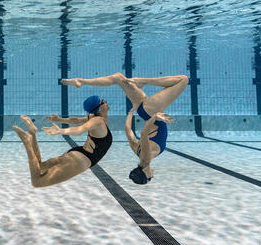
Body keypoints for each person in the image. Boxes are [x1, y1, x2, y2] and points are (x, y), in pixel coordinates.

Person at [60, 72, 189, 184]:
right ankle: (81, 81)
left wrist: (155, 117)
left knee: (183, 80)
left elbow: (143, 134)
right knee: (118, 78)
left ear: (145, 173)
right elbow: (128, 131)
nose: (152, 176)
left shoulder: (146, 157)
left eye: (150, 178)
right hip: (142, 111)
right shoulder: (136, 151)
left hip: (151, 112)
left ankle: (143, 81)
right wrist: (130, 114)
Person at [12, 95, 112, 188]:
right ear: (99, 108)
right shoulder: (97, 121)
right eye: (103, 101)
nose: (106, 101)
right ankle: (26, 141)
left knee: (40, 166)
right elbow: (79, 130)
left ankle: (32, 132)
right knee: (37, 182)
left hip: (79, 152)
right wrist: (61, 130)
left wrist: (60, 119)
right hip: (81, 160)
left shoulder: (94, 118)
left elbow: (76, 120)